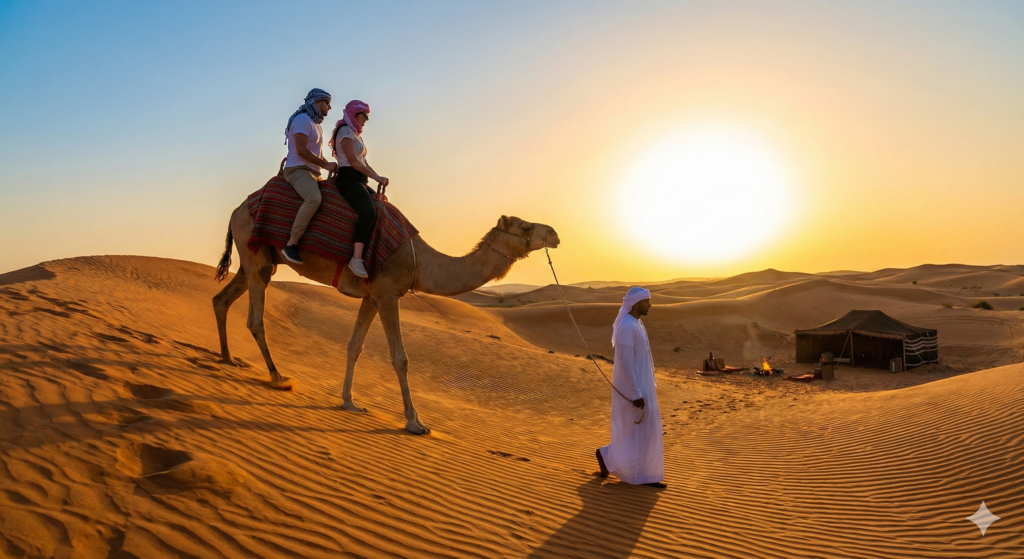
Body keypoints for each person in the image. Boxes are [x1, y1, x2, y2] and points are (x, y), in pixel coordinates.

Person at [595, 286, 666, 488]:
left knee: (643, 431)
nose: (650, 305)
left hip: (643, 387)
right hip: (633, 390)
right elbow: (626, 363)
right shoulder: (627, 327)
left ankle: (642, 473)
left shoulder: (636, 323)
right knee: (634, 432)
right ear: (636, 304)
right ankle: (636, 475)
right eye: (647, 302)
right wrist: (635, 393)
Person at [328, 100, 388, 278]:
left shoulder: (356, 135)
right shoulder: (345, 131)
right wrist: (376, 177)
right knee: (368, 212)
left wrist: (378, 177)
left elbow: (363, 162)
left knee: (381, 205)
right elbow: (353, 161)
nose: (367, 120)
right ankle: (356, 259)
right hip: (348, 179)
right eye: (365, 115)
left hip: (360, 180)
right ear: (355, 114)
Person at [281, 88, 338, 265]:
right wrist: (324, 165)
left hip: (313, 172)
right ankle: (291, 243)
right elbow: (301, 150)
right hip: (297, 169)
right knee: (314, 198)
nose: (329, 108)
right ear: (318, 102)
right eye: (327, 103)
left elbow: (316, 154)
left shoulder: (316, 125)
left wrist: (330, 164)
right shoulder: (302, 120)